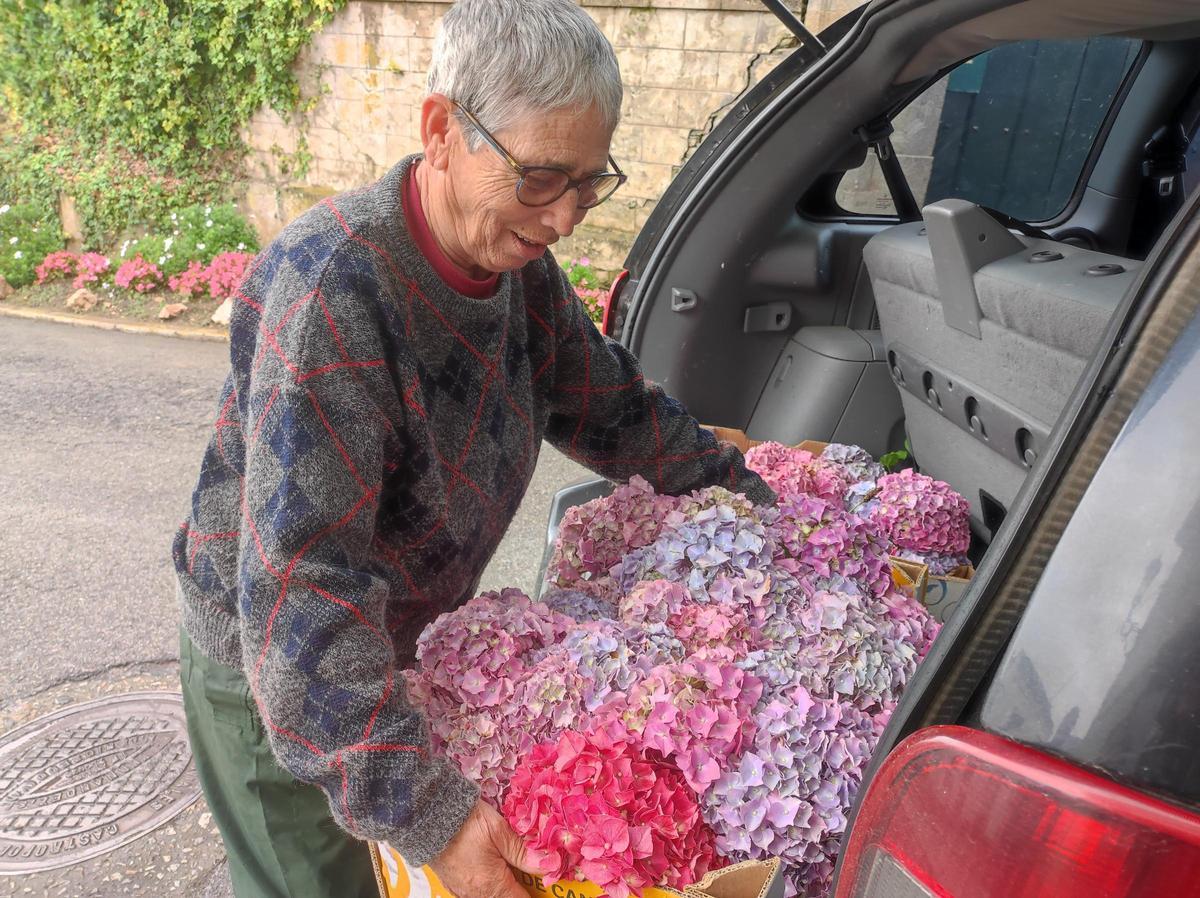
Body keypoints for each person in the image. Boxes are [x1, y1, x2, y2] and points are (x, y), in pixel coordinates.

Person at [172, 1, 774, 896]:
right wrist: (436, 818)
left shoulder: (514, 267)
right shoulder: (332, 294)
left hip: (390, 648)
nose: (566, 218)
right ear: (442, 130)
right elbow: (304, 594)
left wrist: (745, 493)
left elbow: (608, 405)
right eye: (540, 177)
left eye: (588, 181)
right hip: (281, 677)